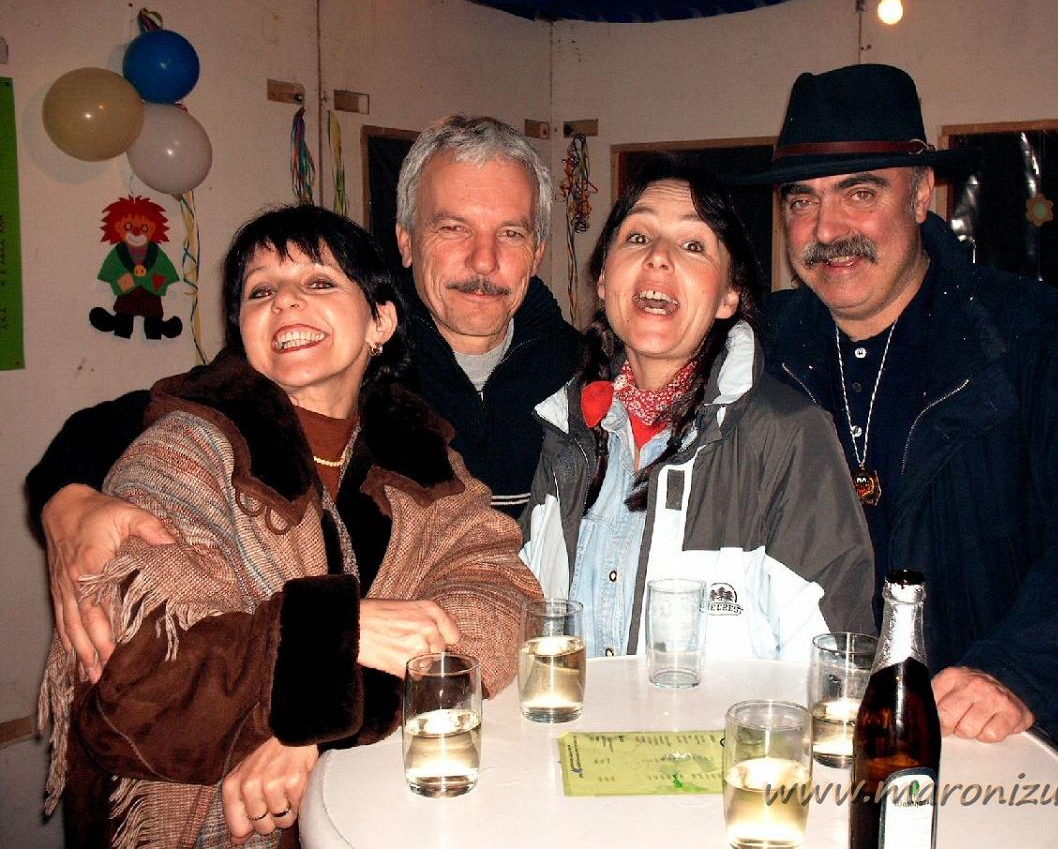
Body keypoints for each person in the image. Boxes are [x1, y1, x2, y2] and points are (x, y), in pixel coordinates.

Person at [38, 205, 543, 847]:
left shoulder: (427, 463)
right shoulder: (183, 452)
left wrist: (315, 724)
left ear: (381, 321)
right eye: (260, 291)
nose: (285, 301)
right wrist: (346, 632)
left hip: (384, 821)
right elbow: (141, 682)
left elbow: (503, 606)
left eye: (319, 281)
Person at [746, 63, 1058, 775]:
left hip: (983, 746)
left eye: (860, 193)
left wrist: (1021, 670)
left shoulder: (1039, 341)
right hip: (802, 741)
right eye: (802, 200)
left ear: (922, 193)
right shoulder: (757, 351)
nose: (826, 229)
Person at [27, 115, 579, 684]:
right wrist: (67, 501)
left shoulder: (581, 370)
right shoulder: (337, 353)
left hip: (519, 674)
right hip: (346, 687)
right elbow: (148, 421)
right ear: (407, 241)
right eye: (453, 227)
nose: (484, 261)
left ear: (538, 251)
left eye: (510, 233)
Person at [520, 155, 874, 663]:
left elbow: (833, 667)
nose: (658, 258)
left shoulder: (787, 438)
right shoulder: (567, 433)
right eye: (637, 237)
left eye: (692, 245)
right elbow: (529, 624)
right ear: (602, 280)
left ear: (729, 295)